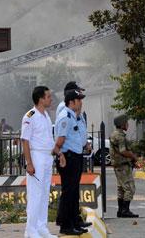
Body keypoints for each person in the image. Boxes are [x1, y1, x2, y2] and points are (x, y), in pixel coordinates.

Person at [21, 86, 60, 238]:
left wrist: (59, 154)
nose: (51, 99)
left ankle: (41, 227)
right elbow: (25, 140)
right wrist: (29, 163)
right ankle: (30, 230)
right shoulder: (30, 116)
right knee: (35, 195)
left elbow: (49, 140)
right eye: (48, 96)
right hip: (36, 156)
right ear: (41, 99)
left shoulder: (46, 116)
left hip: (47, 157)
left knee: (44, 194)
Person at [53, 89, 88, 236]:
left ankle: (73, 222)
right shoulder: (65, 116)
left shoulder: (73, 116)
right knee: (68, 193)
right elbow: (60, 140)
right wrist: (60, 154)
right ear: (71, 102)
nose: (80, 102)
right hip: (68, 158)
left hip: (75, 156)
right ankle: (66, 225)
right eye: (78, 100)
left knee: (73, 193)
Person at [110, 114, 139, 218]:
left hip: (119, 165)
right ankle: (125, 210)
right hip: (122, 165)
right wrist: (133, 157)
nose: (127, 124)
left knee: (121, 188)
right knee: (130, 188)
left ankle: (120, 211)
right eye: (126, 123)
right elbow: (123, 151)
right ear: (122, 125)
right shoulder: (120, 136)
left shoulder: (114, 134)